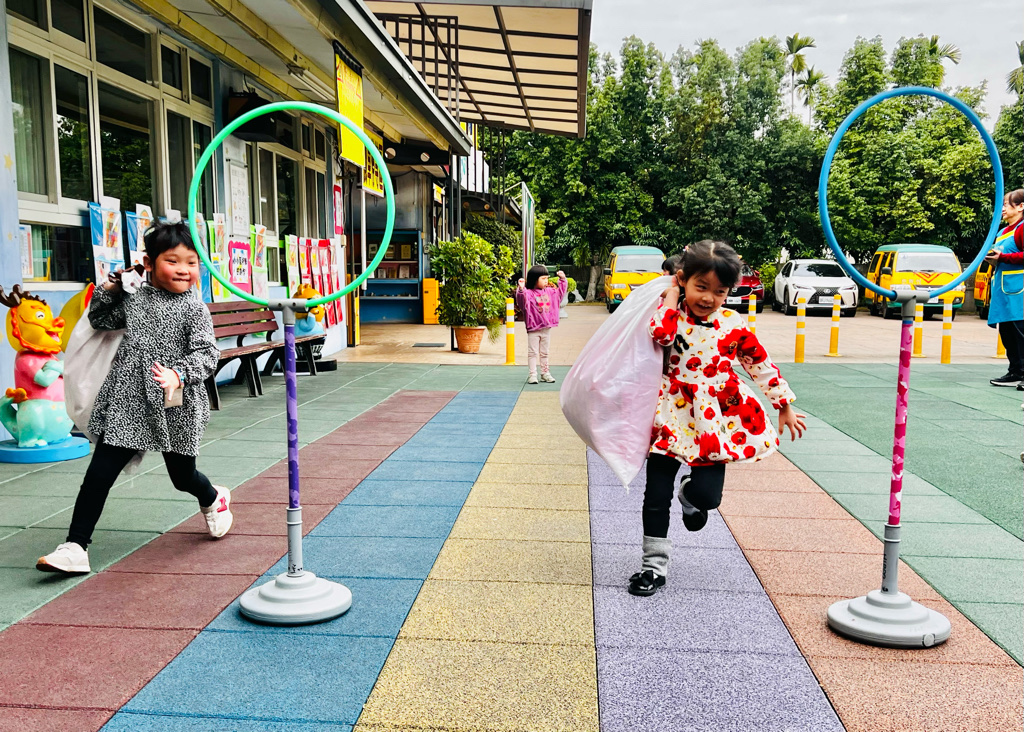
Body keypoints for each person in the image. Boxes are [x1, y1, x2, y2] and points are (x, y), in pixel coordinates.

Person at [37, 222, 232, 575]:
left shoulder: (194, 308)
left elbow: (207, 353)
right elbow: (100, 320)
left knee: (182, 476)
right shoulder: (135, 296)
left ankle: (212, 498)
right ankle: (76, 547)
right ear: (149, 262)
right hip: (129, 398)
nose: (184, 270)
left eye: (191, 262)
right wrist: (111, 288)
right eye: (173, 261)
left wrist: (178, 374)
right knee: (99, 473)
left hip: (176, 402)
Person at [630, 240, 805, 596]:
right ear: (682, 279)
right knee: (655, 494)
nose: (709, 298)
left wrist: (783, 402)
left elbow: (758, 362)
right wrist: (670, 297)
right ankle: (653, 567)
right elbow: (661, 335)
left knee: (708, 497)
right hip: (670, 413)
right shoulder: (669, 314)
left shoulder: (731, 323)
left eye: (720, 291)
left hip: (712, 418)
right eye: (701, 287)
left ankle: (689, 496)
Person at [985, 189, 1024, 388]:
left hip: (1019, 290)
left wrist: (1004, 258)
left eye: (1007, 204)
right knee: (1007, 333)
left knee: (1020, 332)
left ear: (1021, 206)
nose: (1003, 209)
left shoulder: (1022, 229)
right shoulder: (1002, 232)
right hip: (1002, 288)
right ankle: (1015, 372)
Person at [515, 265, 568, 385]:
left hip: (546, 328)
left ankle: (545, 373)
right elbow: (521, 301)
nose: (546, 281)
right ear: (535, 279)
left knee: (545, 352)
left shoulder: (550, 292)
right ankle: (532, 374)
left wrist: (563, 280)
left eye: (547, 278)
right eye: (543, 278)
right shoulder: (528, 294)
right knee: (532, 353)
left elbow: (560, 294)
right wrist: (521, 289)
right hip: (533, 329)